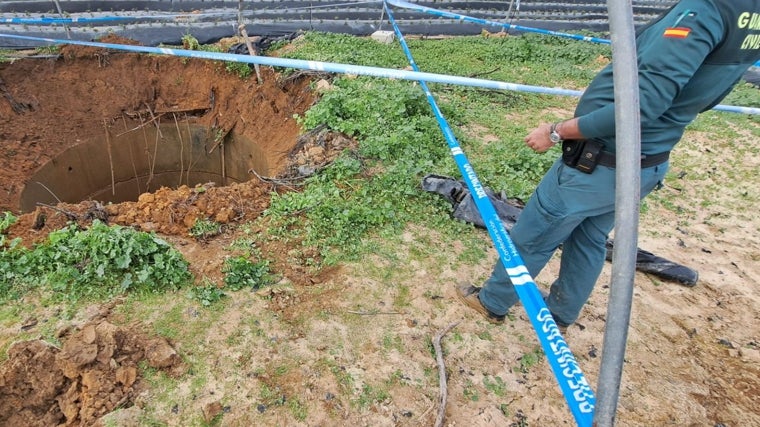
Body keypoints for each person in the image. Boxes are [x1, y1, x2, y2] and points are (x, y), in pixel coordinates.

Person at [456, 0, 760, 328]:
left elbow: (636, 109)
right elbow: (712, 94)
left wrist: (555, 131)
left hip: (601, 162)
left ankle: (491, 301)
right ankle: (561, 311)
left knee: (535, 232)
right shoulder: (748, 13)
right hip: (645, 162)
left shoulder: (706, 10)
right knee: (589, 236)